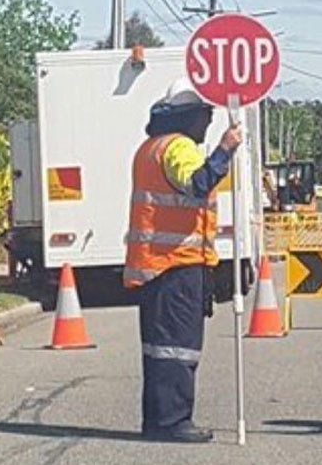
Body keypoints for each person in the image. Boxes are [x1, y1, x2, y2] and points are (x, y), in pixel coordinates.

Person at [123, 78, 242, 443]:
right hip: (175, 264)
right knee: (177, 346)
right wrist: (224, 150)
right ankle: (172, 421)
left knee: (159, 348)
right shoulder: (179, 147)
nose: (208, 123)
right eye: (205, 116)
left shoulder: (150, 147)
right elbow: (198, 182)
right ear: (189, 116)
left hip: (158, 265)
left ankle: (159, 419)